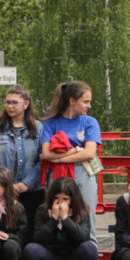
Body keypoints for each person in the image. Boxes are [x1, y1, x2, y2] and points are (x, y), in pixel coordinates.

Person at [30, 174, 107, 260]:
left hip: (74, 258)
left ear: (73, 199)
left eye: (65, 199)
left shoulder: (82, 210)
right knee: (31, 249)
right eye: (56, 199)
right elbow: (38, 239)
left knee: (89, 247)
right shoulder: (43, 210)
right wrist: (53, 219)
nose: (60, 203)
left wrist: (66, 219)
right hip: (51, 258)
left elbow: (83, 238)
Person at [39, 81, 102, 213]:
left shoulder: (90, 122)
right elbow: (47, 153)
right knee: (57, 214)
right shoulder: (51, 123)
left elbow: (89, 153)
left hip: (83, 172)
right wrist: (74, 150)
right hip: (58, 174)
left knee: (86, 214)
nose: (89, 106)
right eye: (85, 102)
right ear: (72, 101)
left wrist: (59, 159)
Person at [0, 85, 44, 222]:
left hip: (32, 191)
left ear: (26, 104)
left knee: (31, 232)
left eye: (14, 102)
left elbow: (43, 159)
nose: (10, 106)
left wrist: (27, 183)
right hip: (3, 191)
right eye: (7, 102)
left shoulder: (38, 129)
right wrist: (5, 183)